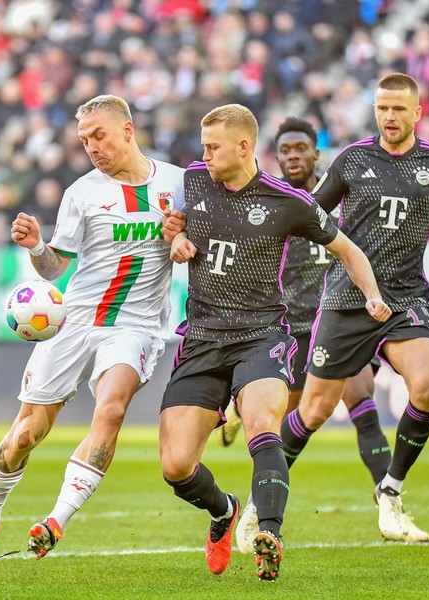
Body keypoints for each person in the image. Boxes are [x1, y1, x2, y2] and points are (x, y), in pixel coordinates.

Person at [159, 104, 390, 581]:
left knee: (263, 422)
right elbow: (173, 223)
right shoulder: (196, 179)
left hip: (261, 335)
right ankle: (224, 510)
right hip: (201, 337)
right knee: (177, 466)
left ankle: (269, 532)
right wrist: (174, 237)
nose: (202, 155)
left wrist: (372, 296)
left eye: (212, 146)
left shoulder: (289, 202)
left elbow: (347, 249)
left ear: (243, 147)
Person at [0, 94, 185, 572]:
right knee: (24, 436)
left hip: (136, 325)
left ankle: (57, 520)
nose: (92, 147)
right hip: (74, 321)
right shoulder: (82, 193)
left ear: (127, 130)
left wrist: (182, 239)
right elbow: (53, 267)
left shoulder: (177, 183)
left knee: (112, 407)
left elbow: (198, 241)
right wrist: (38, 245)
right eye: (85, 141)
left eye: (99, 136)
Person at [279, 73, 429, 543]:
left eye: (399, 109)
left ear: (417, 113)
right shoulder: (353, 159)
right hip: (346, 299)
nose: (389, 116)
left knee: (427, 385)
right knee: (314, 410)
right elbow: (309, 214)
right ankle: (263, 502)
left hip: (404, 298)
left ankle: (390, 491)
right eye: (382, 108)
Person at [230, 117, 393, 554]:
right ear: (276, 155)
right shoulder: (271, 202)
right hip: (291, 325)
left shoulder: (339, 201)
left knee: (361, 394)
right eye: (285, 150)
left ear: (315, 152)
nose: (293, 156)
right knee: (292, 416)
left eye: (301, 148)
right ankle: (255, 497)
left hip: (337, 319)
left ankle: (388, 498)